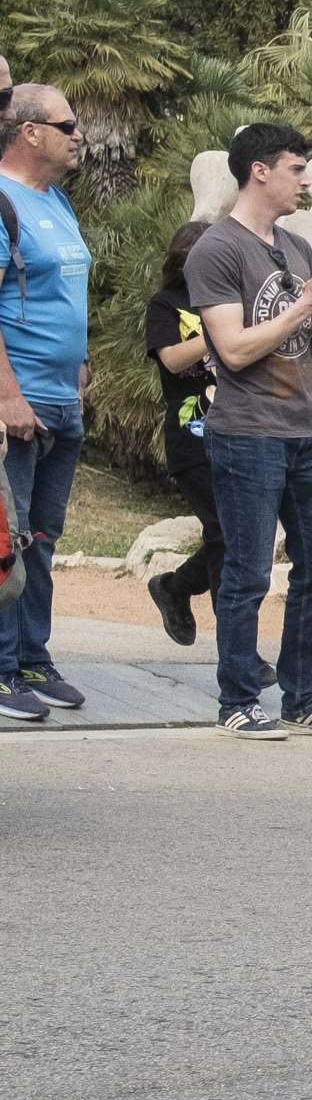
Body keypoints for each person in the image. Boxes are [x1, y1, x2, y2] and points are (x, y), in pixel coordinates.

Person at [188, 123, 312, 739]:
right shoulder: (217, 249)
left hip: (307, 428)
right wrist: (302, 306)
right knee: (248, 573)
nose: (304, 179)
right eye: (294, 168)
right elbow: (232, 349)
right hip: (247, 433)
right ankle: (237, 700)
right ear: (259, 171)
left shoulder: (295, 245)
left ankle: (304, 696)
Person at [0, 86, 94, 719]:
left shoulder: (55, 199)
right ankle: (3, 670)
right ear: (29, 132)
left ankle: (33, 655)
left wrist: (80, 369)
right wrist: (6, 394)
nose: (78, 133)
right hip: (20, 398)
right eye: (67, 124)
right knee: (7, 540)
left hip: (63, 399)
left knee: (42, 536)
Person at [141, 221, 265, 681]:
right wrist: (217, 329)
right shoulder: (165, 304)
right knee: (224, 532)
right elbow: (172, 359)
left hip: (239, 429)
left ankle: (175, 587)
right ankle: (240, 655)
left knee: (231, 536)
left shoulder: (232, 299)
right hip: (190, 434)